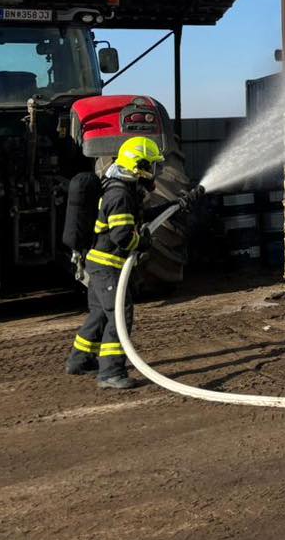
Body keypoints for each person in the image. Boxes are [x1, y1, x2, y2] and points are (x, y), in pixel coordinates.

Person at [65, 137, 201, 390]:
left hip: (99, 264)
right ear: (138, 165)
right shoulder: (120, 194)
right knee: (120, 315)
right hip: (108, 265)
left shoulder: (123, 188)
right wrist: (145, 241)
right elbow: (123, 237)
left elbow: (142, 216)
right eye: (152, 166)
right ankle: (111, 373)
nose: (155, 172)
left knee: (99, 314)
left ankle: (79, 360)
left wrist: (176, 204)